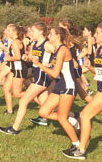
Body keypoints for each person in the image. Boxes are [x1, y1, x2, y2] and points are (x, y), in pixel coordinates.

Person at [65, 24, 102, 160]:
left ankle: (81, 150)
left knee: (85, 115)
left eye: (97, 33)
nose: (94, 35)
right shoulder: (99, 50)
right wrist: (90, 67)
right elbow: (100, 72)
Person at [30, 26, 79, 154]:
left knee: (62, 118)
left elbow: (55, 73)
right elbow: (57, 71)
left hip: (68, 86)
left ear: (58, 35)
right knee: (43, 112)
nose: (48, 36)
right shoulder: (57, 50)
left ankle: (77, 145)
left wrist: (40, 64)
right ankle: (73, 120)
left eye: (51, 34)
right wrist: (49, 66)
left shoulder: (62, 49)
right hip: (60, 85)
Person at [0, 22, 52, 135]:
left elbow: (61, 54)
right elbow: (29, 58)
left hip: (43, 76)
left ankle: (14, 128)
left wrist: (52, 64)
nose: (31, 33)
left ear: (41, 32)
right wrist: (26, 57)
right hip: (37, 74)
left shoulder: (47, 44)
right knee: (45, 106)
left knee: (23, 100)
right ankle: (71, 116)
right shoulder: (34, 44)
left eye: (33, 31)